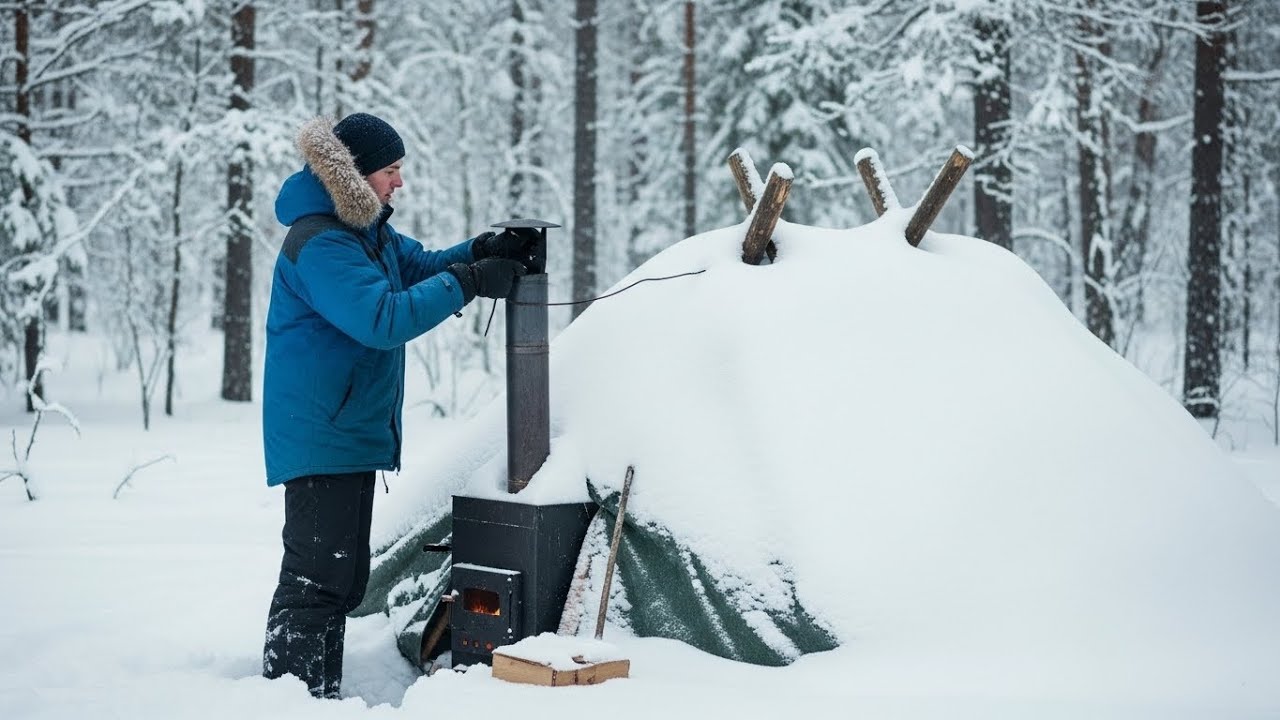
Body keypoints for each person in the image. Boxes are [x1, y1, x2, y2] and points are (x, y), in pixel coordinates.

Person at [260, 112, 535, 699]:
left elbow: (423, 265)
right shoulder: (323, 241)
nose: (399, 183)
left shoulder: (365, 230)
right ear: (357, 174)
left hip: (344, 429)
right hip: (320, 435)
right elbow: (381, 318)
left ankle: (311, 695)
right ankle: (287, 698)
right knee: (318, 579)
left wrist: (480, 251)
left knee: (341, 576)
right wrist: (470, 281)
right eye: (391, 171)